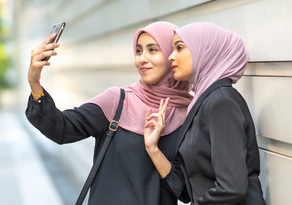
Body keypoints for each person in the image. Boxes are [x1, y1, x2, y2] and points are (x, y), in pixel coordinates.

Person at [25, 21, 193, 204]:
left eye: (153, 50)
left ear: (172, 56)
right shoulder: (118, 101)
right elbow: (62, 129)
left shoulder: (187, 115)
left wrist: (154, 150)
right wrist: (35, 83)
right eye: (138, 51)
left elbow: (183, 191)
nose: (142, 58)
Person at [145, 22, 266, 204]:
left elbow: (231, 188)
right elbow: (189, 192)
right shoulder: (204, 102)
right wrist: (153, 149)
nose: (170, 57)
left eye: (179, 48)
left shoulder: (222, 103)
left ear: (205, 51)